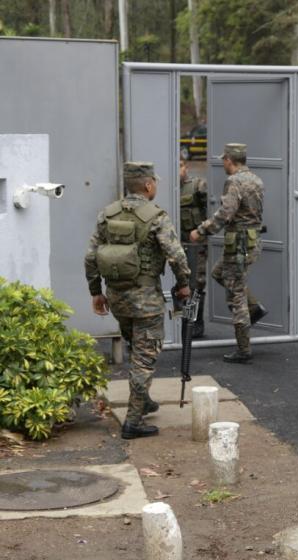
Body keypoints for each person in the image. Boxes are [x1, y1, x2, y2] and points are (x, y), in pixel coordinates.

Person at [84, 162, 191, 439]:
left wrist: (96, 291)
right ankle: (133, 422)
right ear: (147, 185)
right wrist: (183, 285)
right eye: (154, 181)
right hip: (146, 302)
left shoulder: (107, 214)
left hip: (117, 299)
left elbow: (91, 256)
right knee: (145, 358)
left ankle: (142, 401)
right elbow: (177, 256)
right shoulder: (156, 216)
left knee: (136, 349)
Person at [190, 143, 267, 363]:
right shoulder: (256, 179)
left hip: (239, 246)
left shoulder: (234, 182)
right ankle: (255, 308)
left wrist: (201, 231)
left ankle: (243, 349)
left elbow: (225, 213)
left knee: (236, 295)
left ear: (229, 160)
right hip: (251, 242)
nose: (222, 162)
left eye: (224, 159)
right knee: (218, 273)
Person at [179, 157, 208, 338]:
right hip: (175, 245)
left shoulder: (197, 186)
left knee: (195, 284)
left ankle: (194, 323)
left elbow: (213, 208)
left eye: (181, 166)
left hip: (195, 245)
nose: (179, 171)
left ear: (186, 167)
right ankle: (178, 322)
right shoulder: (162, 189)